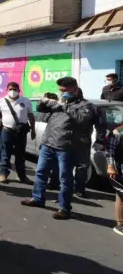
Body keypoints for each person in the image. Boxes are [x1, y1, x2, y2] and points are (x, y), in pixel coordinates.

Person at [21, 77, 98, 220]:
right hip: (48, 143)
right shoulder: (59, 103)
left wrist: (64, 106)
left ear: (74, 89)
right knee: (40, 172)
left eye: (65, 91)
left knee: (65, 178)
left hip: (66, 147)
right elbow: (41, 110)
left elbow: (82, 120)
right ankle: (37, 198)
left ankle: (64, 208)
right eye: (60, 90)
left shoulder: (85, 105)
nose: (62, 93)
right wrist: (43, 102)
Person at [0, 81, 36, 184]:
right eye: (10, 89)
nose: (12, 91)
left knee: (20, 155)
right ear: (6, 90)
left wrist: (33, 130)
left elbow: (31, 116)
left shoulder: (26, 101)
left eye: (15, 89)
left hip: (21, 132)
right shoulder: (1, 101)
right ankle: (3, 174)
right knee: (5, 153)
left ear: (19, 91)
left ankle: (22, 176)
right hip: (7, 131)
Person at [105, 125, 123, 236]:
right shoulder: (118, 131)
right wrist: (110, 166)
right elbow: (109, 150)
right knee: (121, 195)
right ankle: (120, 224)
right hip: (121, 166)